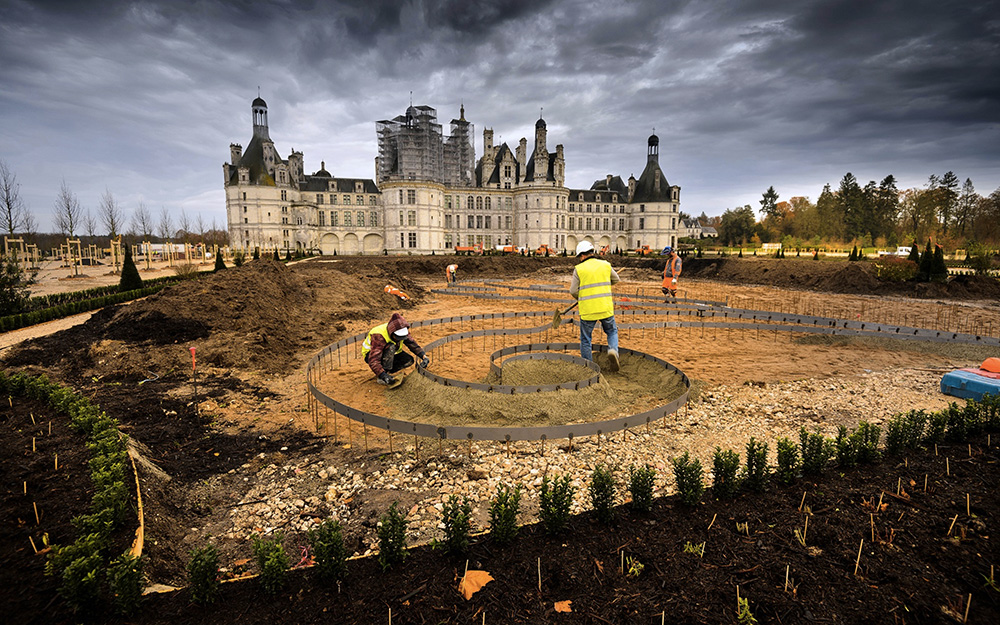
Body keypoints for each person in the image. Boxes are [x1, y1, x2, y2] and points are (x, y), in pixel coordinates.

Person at [570, 240, 620, 372]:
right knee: (611, 331)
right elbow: (616, 279)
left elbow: (573, 291)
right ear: (592, 252)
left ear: (582, 255)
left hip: (588, 310)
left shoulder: (579, 269)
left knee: (586, 339)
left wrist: (581, 297)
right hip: (605, 307)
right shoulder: (605, 265)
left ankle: (589, 368)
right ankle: (613, 351)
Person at [361, 312, 430, 386]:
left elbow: (412, 344)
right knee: (391, 347)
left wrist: (424, 357)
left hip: (389, 353)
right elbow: (373, 360)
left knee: (408, 360)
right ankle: (382, 375)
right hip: (371, 355)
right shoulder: (379, 335)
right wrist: (383, 375)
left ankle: (384, 371)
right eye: (397, 338)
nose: (399, 340)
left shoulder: (403, 331)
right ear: (392, 333)